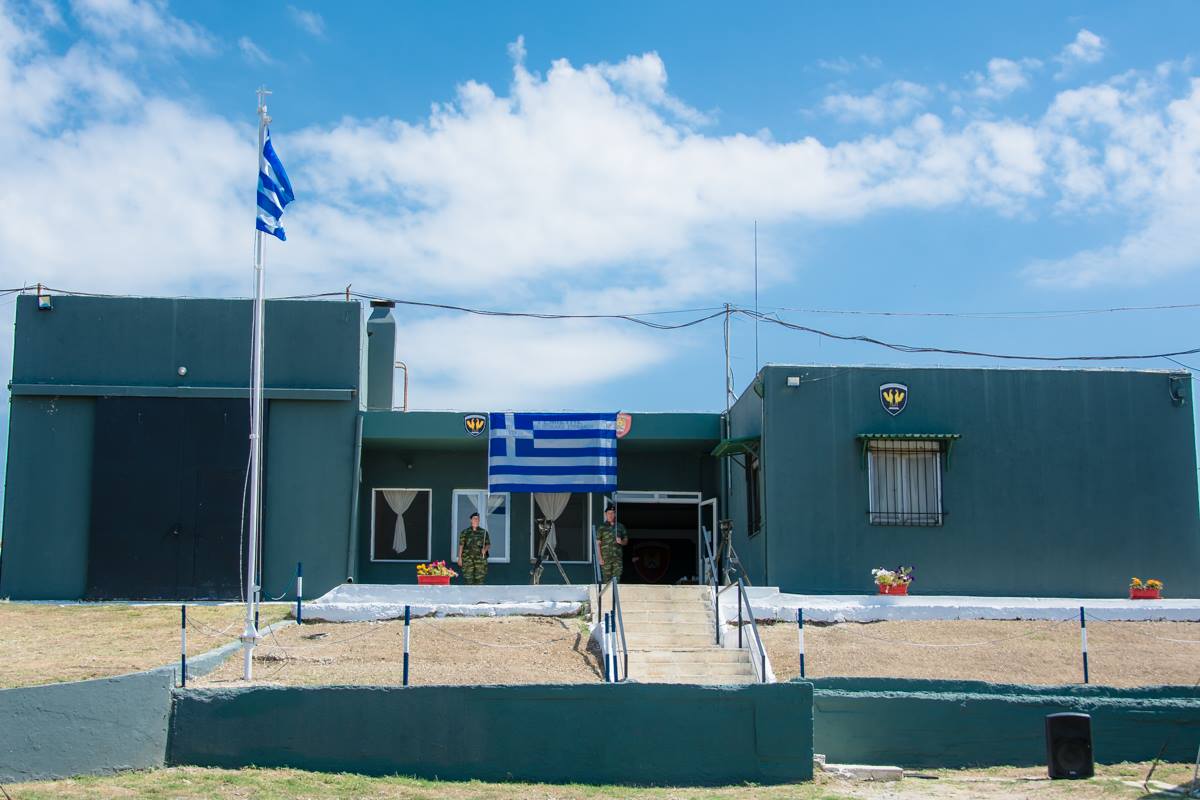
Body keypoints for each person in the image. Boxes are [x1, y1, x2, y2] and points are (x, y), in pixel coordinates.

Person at [596, 505, 628, 584]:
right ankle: (608, 593)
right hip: (605, 559)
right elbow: (598, 544)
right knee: (606, 581)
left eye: (612, 513)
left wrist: (621, 542)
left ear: (615, 514)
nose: (610, 515)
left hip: (617, 559)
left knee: (617, 579)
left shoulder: (620, 526)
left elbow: (626, 541)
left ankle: (614, 592)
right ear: (605, 514)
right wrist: (600, 558)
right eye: (609, 513)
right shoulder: (601, 527)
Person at [457, 512, 490, 585]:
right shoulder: (465, 532)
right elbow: (461, 545)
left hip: (480, 560)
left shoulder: (484, 532)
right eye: (474, 518)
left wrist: (485, 549)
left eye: (478, 519)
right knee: (468, 581)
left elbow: (488, 544)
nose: (476, 520)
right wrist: (460, 558)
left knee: (479, 581)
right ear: (471, 520)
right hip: (468, 560)